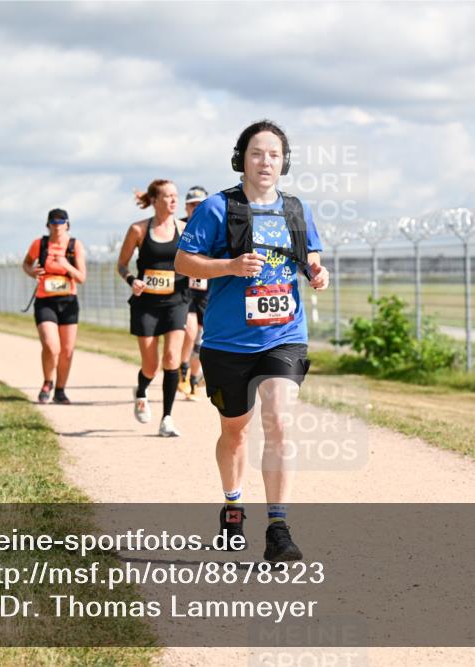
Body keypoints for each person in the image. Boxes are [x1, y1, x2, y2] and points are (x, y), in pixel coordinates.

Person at [175, 119, 330, 562]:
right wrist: (228, 267)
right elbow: (186, 262)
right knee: (235, 432)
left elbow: (311, 258)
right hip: (228, 342)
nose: (266, 161)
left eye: (274, 155)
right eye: (257, 153)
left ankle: (279, 528)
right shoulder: (217, 208)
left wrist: (317, 272)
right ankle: (232, 504)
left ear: (284, 162)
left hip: (284, 335)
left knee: (279, 421)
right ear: (241, 158)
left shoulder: (296, 210)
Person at [117, 179, 189, 437]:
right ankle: (141, 390)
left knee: (171, 358)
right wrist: (131, 280)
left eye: (175, 196)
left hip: (176, 301)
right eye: (168, 196)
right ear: (155, 201)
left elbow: (196, 258)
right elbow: (122, 264)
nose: (173, 201)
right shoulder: (138, 230)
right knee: (151, 365)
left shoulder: (184, 229)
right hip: (146, 304)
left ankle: (167, 418)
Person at [21, 208, 87, 404]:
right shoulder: (39, 244)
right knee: (51, 346)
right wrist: (33, 272)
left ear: (67, 224)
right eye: (53, 222)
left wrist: (65, 264)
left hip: (68, 302)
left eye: (61, 222)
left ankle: (60, 390)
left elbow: (82, 277)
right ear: (48, 225)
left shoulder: (75, 246)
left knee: (67, 350)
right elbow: (26, 264)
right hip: (45, 301)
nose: (57, 226)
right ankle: (47, 381)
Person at [178, 186, 210, 400]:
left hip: (206, 290)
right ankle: (182, 369)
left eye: (200, 205)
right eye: (192, 205)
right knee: (189, 332)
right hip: (183, 289)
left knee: (201, 337)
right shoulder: (179, 227)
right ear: (186, 207)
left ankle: (194, 380)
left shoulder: (213, 227)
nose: (196, 209)